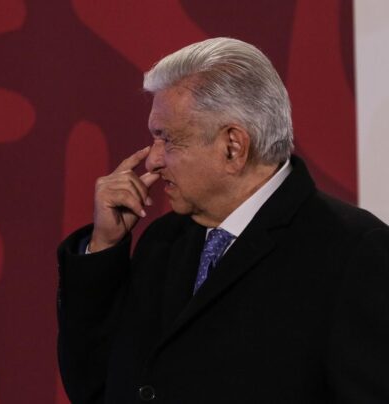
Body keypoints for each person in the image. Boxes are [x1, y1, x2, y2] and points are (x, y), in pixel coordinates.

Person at [56, 37, 389, 403]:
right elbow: (94, 386)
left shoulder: (353, 252)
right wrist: (104, 247)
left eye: (169, 140)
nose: (152, 161)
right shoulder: (164, 240)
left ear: (233, 146)